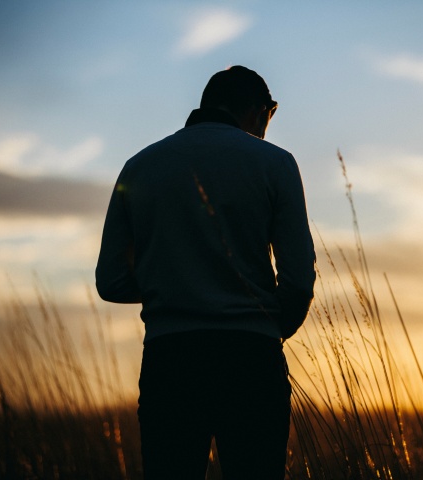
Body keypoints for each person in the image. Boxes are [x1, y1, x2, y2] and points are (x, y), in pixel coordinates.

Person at [95, 66, 316, 479]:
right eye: (271, 114)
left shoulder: (139, 167)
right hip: (251, 360)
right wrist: (271, 330)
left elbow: (110, 281)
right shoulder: (276, 164)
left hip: (171, 359)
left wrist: (173, 287)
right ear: (257, 110)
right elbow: (299, 278)